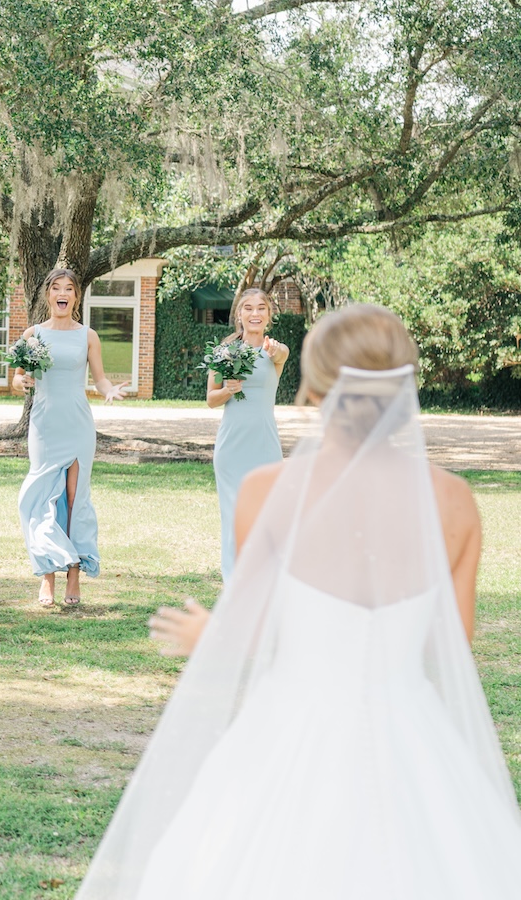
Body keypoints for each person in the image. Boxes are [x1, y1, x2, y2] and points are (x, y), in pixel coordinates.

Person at [77, 304, 521, 900]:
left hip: (292, 730)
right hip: (411, 739)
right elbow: (451, 643)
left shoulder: (268, 491)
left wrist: (214, 634)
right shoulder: (456, 502)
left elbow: (260, 631)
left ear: (313, 387)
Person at [13, 268, 123, 608]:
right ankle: (47, 574)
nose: (63, 293)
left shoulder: (88, 335)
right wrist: (20, 382)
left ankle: (73, 570)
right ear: (48, 295)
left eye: (70, 289)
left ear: (76, 296)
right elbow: (17, 376)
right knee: (44, 495)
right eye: (56, 288)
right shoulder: (32, 334)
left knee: (75, 498)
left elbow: (100, 379)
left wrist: (109, 390)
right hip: (44, 423)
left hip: (77, 422)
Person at [208, 287, 288, 579]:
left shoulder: (277, 351)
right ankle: (235, 584)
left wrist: (275, 350)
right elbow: (210, 399)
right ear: (239, 315)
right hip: (232, 448)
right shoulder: (224, 352)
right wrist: (227, 390)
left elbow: (279, 355)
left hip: (266, 446)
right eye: (248, 308)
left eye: (261, 308)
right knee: (234, 517)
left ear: (269, 315)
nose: (255, 314)